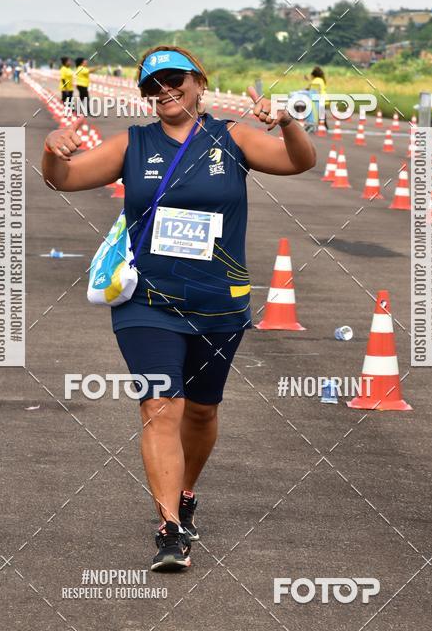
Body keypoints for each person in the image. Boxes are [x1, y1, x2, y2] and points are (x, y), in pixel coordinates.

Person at [42, 46, 316, 572]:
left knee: (203, 408)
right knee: (159, 405)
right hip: (147, 302)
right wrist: (53, 150)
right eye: (152, 86)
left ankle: (186, 492)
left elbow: (298, 162)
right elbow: (63, 179)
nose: (164, 92)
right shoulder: (132, 143)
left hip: (220, 303)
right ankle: (170, 529)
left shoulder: (231, 138)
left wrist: (287, 123)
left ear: (198, 83)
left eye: (174, 81)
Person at [306, 65, 328, 132]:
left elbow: (310, 88)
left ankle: (323, 127)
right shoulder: (321, 79)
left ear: (313, 75)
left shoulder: (315, 81)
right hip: (324, 97)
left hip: (319, 98)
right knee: (322, 114)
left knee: (319, 114)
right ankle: (325, 127)